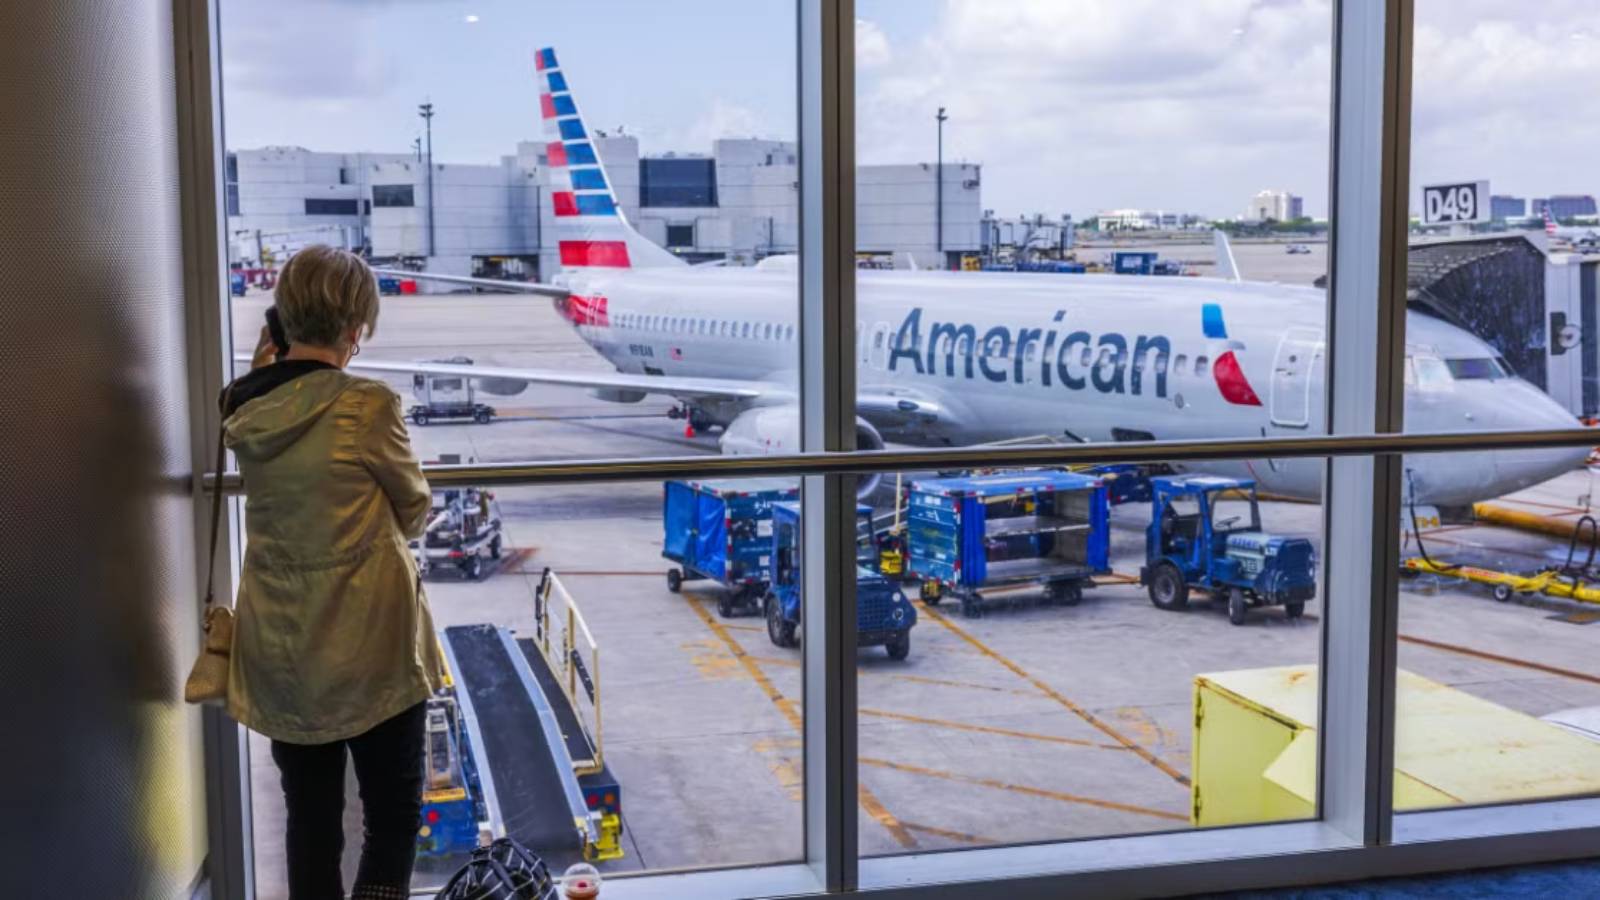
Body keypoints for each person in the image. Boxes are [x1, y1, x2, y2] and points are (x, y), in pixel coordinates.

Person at [222, 244, 444, 900]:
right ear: (356, 326)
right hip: (372, 646)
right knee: (392, 816)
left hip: (282, 647)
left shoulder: (242, 407)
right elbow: (415, 510)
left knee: (311, 820)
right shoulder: (365, 405)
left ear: (282, 317)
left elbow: (269, 401)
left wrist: (267, 365)